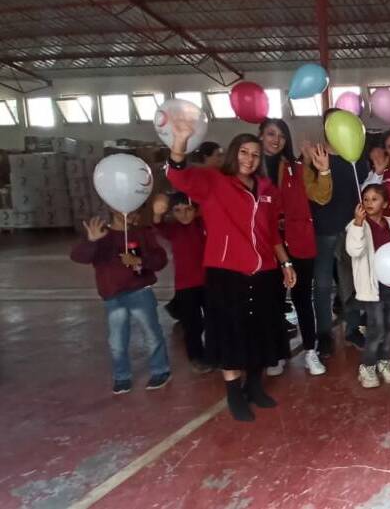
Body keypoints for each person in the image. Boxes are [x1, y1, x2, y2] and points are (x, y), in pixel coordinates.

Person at [167, 128, 297, 422]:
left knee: (259, 333)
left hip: (264, 272)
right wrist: (178, 142)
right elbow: (178, 176)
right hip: (226, 274)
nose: (249, 159)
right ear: (232, 152)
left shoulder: (266, 189)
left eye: (255, 154)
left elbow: (272, 234)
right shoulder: (214, 181)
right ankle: (234, 393)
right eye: (243, 152)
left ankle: (254, 386)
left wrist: (286, 264)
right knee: (230, 333)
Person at [258, 118, 332, 377]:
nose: (276, 140)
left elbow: (321, 196)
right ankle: (277, 352)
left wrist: (322, 171)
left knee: (302, 297)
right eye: (270, 134)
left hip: (298, 242)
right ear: (260, 136)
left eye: (280, 135)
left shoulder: (296, 168)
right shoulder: (250, 170)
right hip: (264, 245)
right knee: (272, 301)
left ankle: (310, 351)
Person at [71, 211, 171, 394]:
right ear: (111, 207)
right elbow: (78, 256)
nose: (128, 212)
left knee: (152, 334)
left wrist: (141, 260)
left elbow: (160, 259)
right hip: (113, 295)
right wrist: (91, 241)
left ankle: (160, 370)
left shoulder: (142, 233)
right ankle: (122, 376)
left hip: (140, 291)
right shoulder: (101, 233)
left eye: (134, 209)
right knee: (117, 340)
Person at [310, 109, 370, 355]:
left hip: (350, 229)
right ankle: (324, 334)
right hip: (324, 230)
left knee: (352, 284)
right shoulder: (315, 157)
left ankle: (352, 329)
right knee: (323, 286)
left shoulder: (355, 157)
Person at [346, 184, 390, 388]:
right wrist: (357, 223)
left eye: (374, 199)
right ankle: (368, 365)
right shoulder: (357, 225)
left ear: (386, 203)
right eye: (366, 199)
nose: (369, 202)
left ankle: (385, 361)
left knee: (389, 326)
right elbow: (354, 250)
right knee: (376, 328)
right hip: (372, 287)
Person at [152, 192, 210, 374]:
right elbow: (157, 223)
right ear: (171, 213)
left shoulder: (203, 224)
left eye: (188, 209)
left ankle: (216, 351)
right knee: (192, 324)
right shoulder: (172, 229)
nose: (184, 214)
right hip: (185, 286)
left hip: (209, 282)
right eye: (178, 210)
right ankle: (196, 357)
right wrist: (157, 211)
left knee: (214, 320)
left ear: (196, 210)